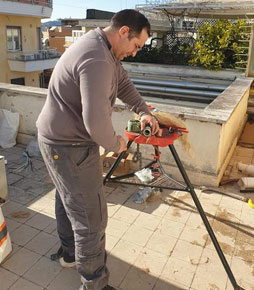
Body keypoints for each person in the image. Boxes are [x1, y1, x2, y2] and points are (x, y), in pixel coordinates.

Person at [36, 9, 159, 290]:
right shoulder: (97, 58)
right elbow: (95, 122)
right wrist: (115, 143)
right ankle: (95, 284)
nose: (135, 53)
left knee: (69, 200)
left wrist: (142, 111)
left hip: (56, 139)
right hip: (70, 145)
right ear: (124, 31)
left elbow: (123, 84)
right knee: (92, 217)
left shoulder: (104, 48)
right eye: (136, 46)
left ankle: (69, 255)